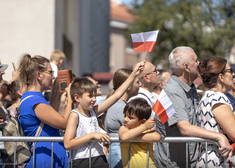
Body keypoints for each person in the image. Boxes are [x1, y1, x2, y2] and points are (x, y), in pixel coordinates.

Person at [154, 46, 232, 168]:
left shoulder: (190, 86)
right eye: (195, 61)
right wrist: (219, 136)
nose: (199, 63)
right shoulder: (172, 91)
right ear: (186, 67)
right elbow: (185, 128)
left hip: (189, 161)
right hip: (174, 164)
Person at [63, 62, 144, 168]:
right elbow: (68, 144)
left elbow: (116, 96)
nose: (94, 99)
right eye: (90, 96)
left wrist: (133, 74)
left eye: (94, 96)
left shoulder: (93, 111)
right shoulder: (75, 115)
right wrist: (92, 135)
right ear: (77, 98)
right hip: (81, 161)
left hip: (99, 158)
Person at [18, 54, 73, 167]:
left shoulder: (34, 98)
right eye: (51, 72)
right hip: (46, 158)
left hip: (48, 155)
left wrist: (63, 106)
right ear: (39, 75)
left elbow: (54, 124)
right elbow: (65, 123)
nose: (53, 77)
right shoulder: (35, 100)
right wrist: (71, 98)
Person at [196, 57, 235, 167]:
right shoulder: (217, 98)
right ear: (221, 77)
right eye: (230, 71)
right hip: (216, 160)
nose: (232, 74)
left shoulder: (209, 96)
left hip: (212, 157)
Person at [104, 68, 141, 168]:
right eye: (137, 82)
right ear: (128, 86)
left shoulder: (120, 104)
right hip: (119, 152)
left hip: (119, 151)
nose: (140, 85)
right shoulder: (120, 107)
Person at [119, 98, 161, 168]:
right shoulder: (124, 128)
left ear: (142, 121)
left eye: (130, 118)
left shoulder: (148, 129)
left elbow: (157, 137)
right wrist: (144, 127)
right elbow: (124, 137)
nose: (125, 119)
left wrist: (132, 136)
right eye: (125, 115)